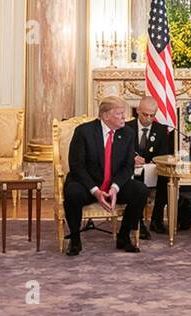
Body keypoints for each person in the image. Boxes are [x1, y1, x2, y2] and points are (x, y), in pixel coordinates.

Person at [63, 96, 149, 256]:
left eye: (124, 113)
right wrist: (95, 191)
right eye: (119, 114)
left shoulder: (128, 134)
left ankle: (123, 236)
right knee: (72, 192)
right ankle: (75, 239)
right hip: (87, 184)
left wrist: (115, 188)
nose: (125, 117)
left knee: (141, 191)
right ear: (105, 115)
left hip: (113, 185)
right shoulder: (84, 132)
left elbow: (127, 166)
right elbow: (77, 166)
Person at [127, 95, 173, 236]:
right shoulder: (127, 128)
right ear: (138, 111)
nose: (148, 118)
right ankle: (138, 221)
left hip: (152, 169)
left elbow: (165, 154)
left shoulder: (161, 130)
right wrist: (133, 158)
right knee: (137, 182)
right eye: (145, 114)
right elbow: (120, 151)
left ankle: (156, 220)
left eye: (152, 115)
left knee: (166, 179)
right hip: (132, 169)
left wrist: (153, 162)